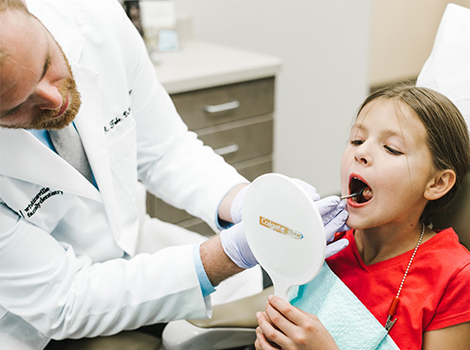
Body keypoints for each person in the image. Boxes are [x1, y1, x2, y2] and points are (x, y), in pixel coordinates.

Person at [0, 0, 349, 349]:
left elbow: (166, 150)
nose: (55, 99)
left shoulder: (95, 21)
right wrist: (230, 252)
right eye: (17, 105)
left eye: (47, 63)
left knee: (248, 292)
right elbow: (68, 299)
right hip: (35, 318)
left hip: (132, 245)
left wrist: (245, 202)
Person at [254, 83, 470, 349]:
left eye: (391, 148)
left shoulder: (455, 278)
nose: (361, 153)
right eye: (357, 140)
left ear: (437, 183)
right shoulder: (325, 238)